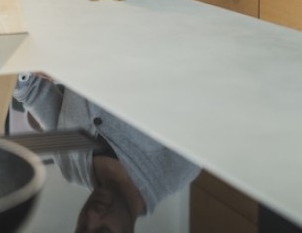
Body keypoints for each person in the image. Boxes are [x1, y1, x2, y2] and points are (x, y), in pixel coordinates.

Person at [13, 72, 201, 232]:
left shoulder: (71, 168)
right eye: (103, 232)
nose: (92, 215)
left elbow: (32, 91)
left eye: (83, 228)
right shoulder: (177, 168)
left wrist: (22, 75)